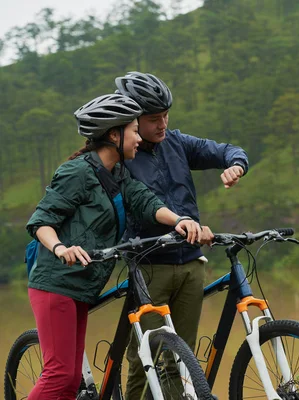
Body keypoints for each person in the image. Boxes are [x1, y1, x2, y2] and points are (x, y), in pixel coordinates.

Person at [25, 93, 213, 400]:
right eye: (134, 131)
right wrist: (61, 248)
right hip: (55, 284)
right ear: (114, 135)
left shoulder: (117, 173)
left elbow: (145, 201)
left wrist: (179, 220)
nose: (139, 138)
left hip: (81, 287)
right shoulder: (77, 172)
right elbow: (41, 220)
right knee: (59, 376)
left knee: (71, 381)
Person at [114, 71, 249, 400]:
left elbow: (224, 150)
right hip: (149, 267)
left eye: (166, 116)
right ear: (133, 119)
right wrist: (179, 221)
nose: (162, 125)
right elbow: (143, 205)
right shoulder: (123, 157)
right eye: (154, 119)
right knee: (144, 358)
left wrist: (235, 166)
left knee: (181, 357)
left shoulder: (175, 142)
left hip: (191, 264)